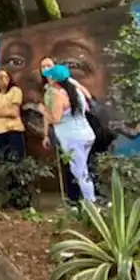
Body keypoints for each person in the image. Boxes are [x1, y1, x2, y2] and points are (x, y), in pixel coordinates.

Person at [42, 64, 96, 205]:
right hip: (86, 133)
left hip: (72, 137)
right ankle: (88, 201)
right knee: (82, 169)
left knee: (80, 172)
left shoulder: (57, 95)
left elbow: (55, 119)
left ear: (54, 79)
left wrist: (42, 109)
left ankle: (92, 205)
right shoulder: (76, 90)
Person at [0, 68, 27, 206]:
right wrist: (5, 111)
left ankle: (21, 198)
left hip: (14, 130)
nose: (3, 80)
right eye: (0, 77)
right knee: (4, 163)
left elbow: (14, 113)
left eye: (6, 77)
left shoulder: (15, 91)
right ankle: (8, 197)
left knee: (17, 163)